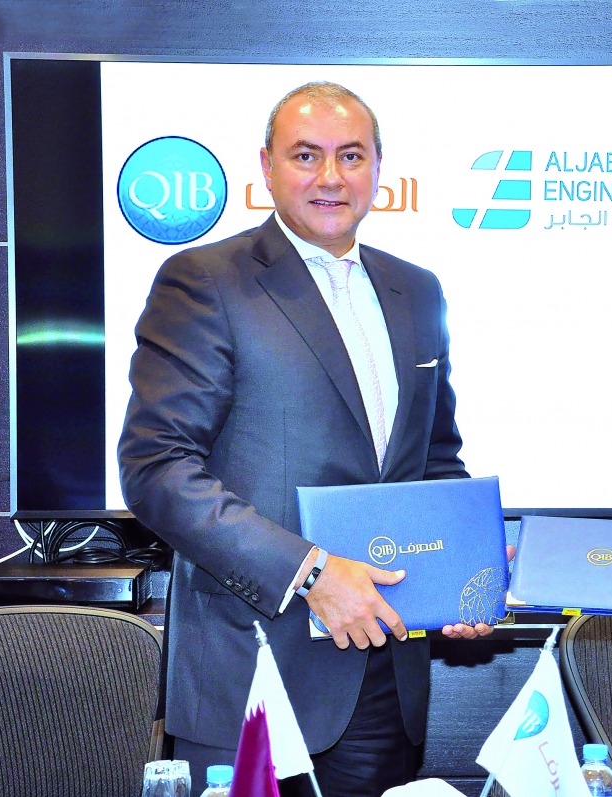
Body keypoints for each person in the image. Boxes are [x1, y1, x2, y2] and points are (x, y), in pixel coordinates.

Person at [119, 81, 492, 797]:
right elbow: (157, 466)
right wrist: (312, 571)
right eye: (306, 155)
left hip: (384, 671)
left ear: (380, 165)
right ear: (266, 165)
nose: (330, 177)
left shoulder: (417, 290)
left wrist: (462, 575)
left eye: (350, 155)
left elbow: (435, 458)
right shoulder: (205, 280)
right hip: (252, 676)